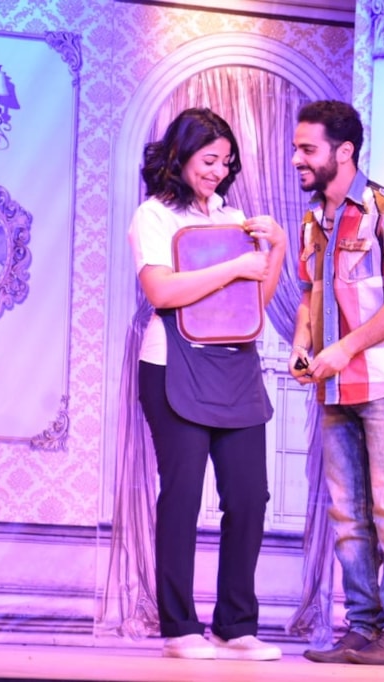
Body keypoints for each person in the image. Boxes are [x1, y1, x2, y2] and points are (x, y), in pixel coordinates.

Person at [127, 107, 286, 661]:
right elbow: (162, 292)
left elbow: (254, 305)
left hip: (234, 365)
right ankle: (179, 627)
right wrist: (234, 266)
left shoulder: (233, 218)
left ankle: (235, 624)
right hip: (172, 365)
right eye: (209, 159)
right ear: (181, 156)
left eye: (226, 162)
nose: (218, 171)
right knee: (183, 495)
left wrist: (275, 249)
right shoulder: (154, 215)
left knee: (249, 497)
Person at [288, 100, 384, 667]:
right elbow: (309, 296)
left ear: (344, 151)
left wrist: (346, 347)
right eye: (296, 149)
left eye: (307, 149)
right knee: (347, 515)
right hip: (334, 388)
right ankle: (363, 627)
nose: (297, 159)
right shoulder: (311, 221)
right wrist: (301, 345)